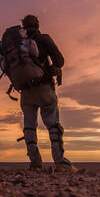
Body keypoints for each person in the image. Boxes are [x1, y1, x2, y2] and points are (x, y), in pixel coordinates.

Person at [19, 14, 76, 172]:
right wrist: (51, 70)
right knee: (52, 124)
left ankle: (35, 163)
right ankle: (59, 161)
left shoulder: (18, 45)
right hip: (44, 88)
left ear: (23, 27)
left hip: (25, 91)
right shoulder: (43, 39)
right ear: (37, 25)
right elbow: (60, 60)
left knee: (29, 125)